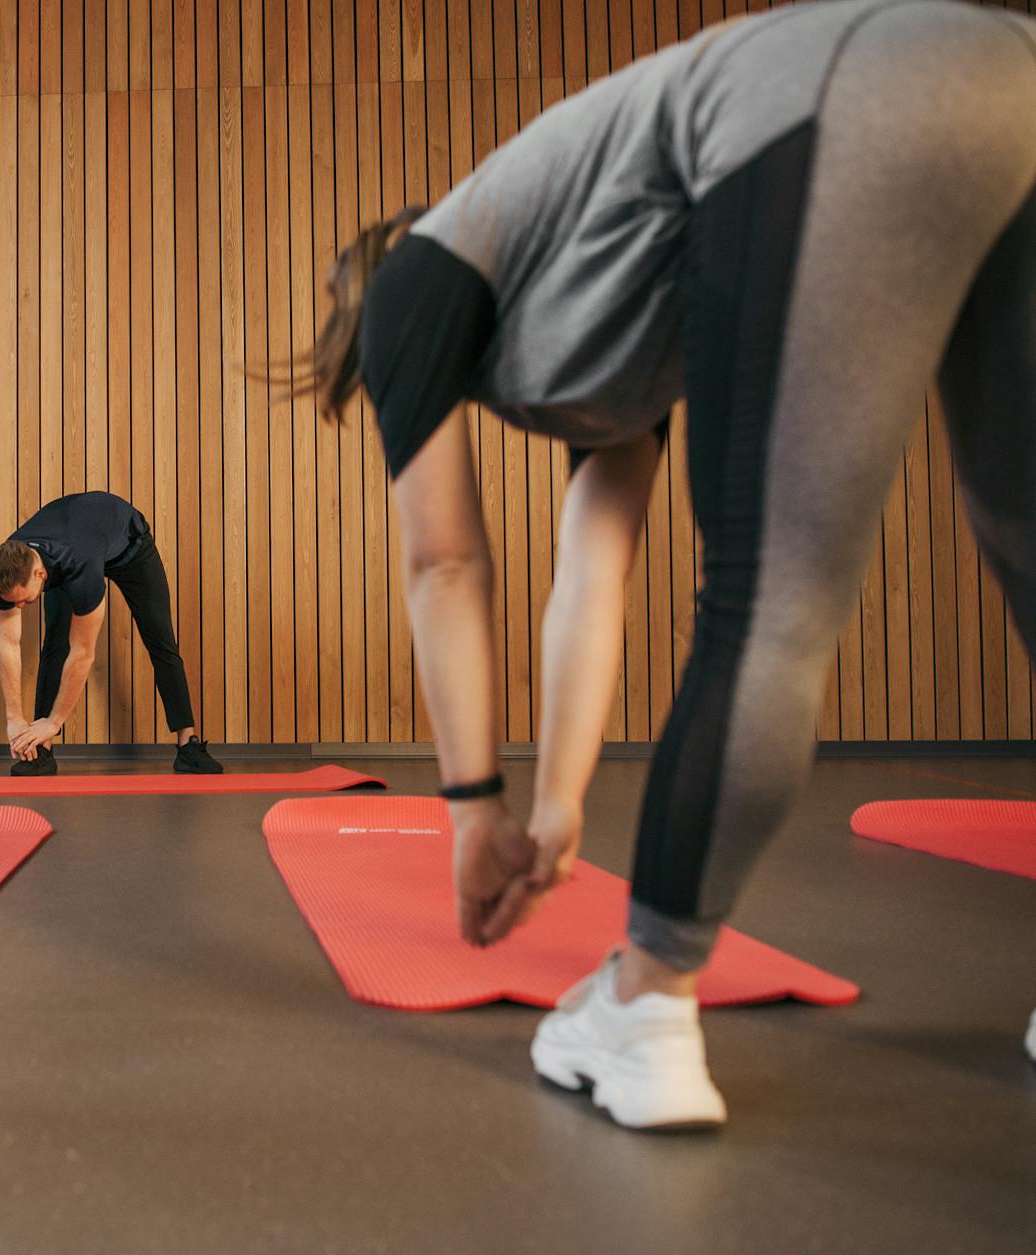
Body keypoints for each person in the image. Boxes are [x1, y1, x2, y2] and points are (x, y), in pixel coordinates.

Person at [300, 0, 1036, 1128]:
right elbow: (592, 574)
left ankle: (643, 1008)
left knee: (768, 601)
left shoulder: (414, 278)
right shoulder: (602, 292)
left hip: (827, 86)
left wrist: (469, 811)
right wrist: (551, 809)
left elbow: (445, 563)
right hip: (1007, 77)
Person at [0, 491, 223, 775]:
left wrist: (55, 721)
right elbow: (8, 644)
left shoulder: (78, 565)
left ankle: (188, 744)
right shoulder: (7, 567)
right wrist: (14, 719)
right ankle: (41, 750)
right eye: (14, 602)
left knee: (160, 638)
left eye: (25, 600)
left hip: (129, 546)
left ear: (38, 574)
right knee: (53, 644)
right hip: (79, 542)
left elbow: (83, 653)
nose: (20, 607)